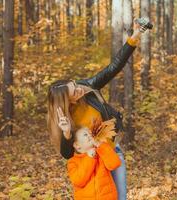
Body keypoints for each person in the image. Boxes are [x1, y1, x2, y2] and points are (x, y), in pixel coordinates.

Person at [46, 17, 151, 200]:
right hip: (90, 161)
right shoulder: (64, 116)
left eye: (74, 85)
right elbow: (67, 154)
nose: (79, 89)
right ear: (66, 101)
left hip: (110, 151)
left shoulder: (87, 86)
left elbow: (113, 68)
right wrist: (67, 133)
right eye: (74, 92)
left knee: (120, 197)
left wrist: (135, 35)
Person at [67, 126, 121, 200]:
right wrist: (89, 158)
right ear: (77, 145)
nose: (90, 135)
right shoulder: (73, 162)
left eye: (90, 133)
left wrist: (101, 146)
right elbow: (78, 181)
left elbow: (115, 163)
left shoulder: (101, 152)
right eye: (85, 134)